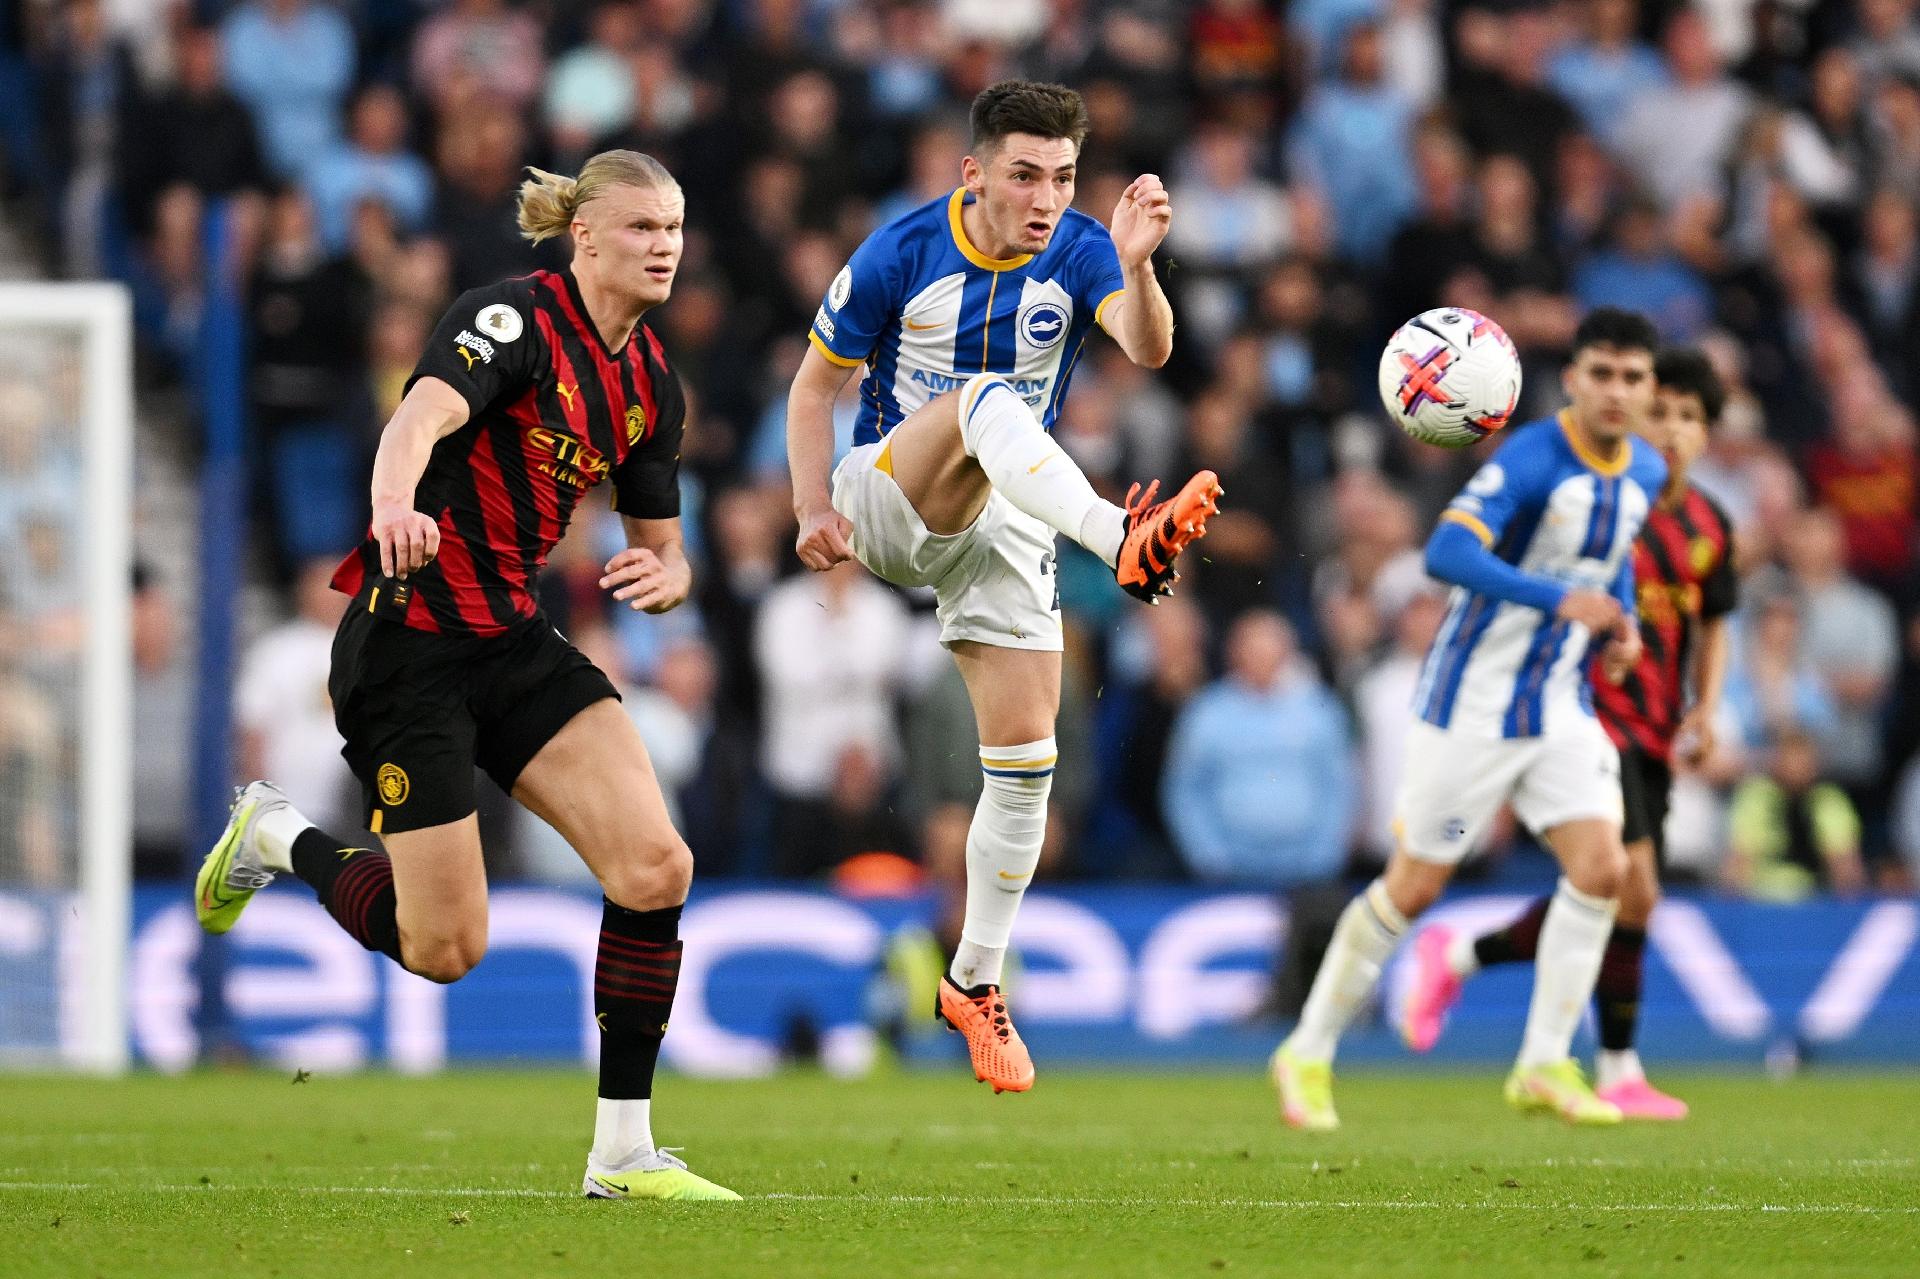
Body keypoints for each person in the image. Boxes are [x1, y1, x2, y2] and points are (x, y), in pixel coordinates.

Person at [194, 150, 738, 1201]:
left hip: (512, 638)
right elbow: (418, 418)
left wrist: (667, 575)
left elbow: (664, 543)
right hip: (410, 646)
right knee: (443, 947)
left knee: (655, 867)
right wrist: (394, 504)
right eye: (640, 228)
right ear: (585, 235)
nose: (663, 245)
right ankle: (271, 833)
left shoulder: (650, 385)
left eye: (673, 228)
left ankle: (623, 1152)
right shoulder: (514, 321)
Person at [785, 80, 1222, 1094]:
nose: (1044, 197)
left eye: (1062, 177)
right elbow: (814, 387)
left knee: (1028, 764)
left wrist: (1139, 264)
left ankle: (975, 979)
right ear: (973, 171)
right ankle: (1122, 536)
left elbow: (1150, 349)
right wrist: (811, 505)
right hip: (892, 493)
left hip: (1013, 518)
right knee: (981, 395)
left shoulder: (1078, 249)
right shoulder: (899, 251)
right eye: (1025, 174)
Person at [1271, 308, 1668, 1130]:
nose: (1617, 391)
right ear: (1572, 379)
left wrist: (1620, 628)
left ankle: (1544, 1062)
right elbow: (1447, 553)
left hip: (1558, 702)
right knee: (1413, 887)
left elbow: (1612, 560)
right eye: (1602, 374)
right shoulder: (1534, 457)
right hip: (1471, 707)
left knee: (1604, 869)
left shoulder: (1647, 471)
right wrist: (1563, 600)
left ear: (1650, 386)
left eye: (1633, 377)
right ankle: (1307, 1049)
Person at [1404, 347, 1738, 1121]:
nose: (1675, 432)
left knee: (1620, 889)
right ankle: (1615, 1064)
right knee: (1630, 883)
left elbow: (1712, 622)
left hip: (1654, 723)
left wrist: (1706, 706)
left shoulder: (1710, 522)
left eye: (1692, 420)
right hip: (1585, 710)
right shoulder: (1608, 500)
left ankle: (1460, 956)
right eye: (1665, 414)